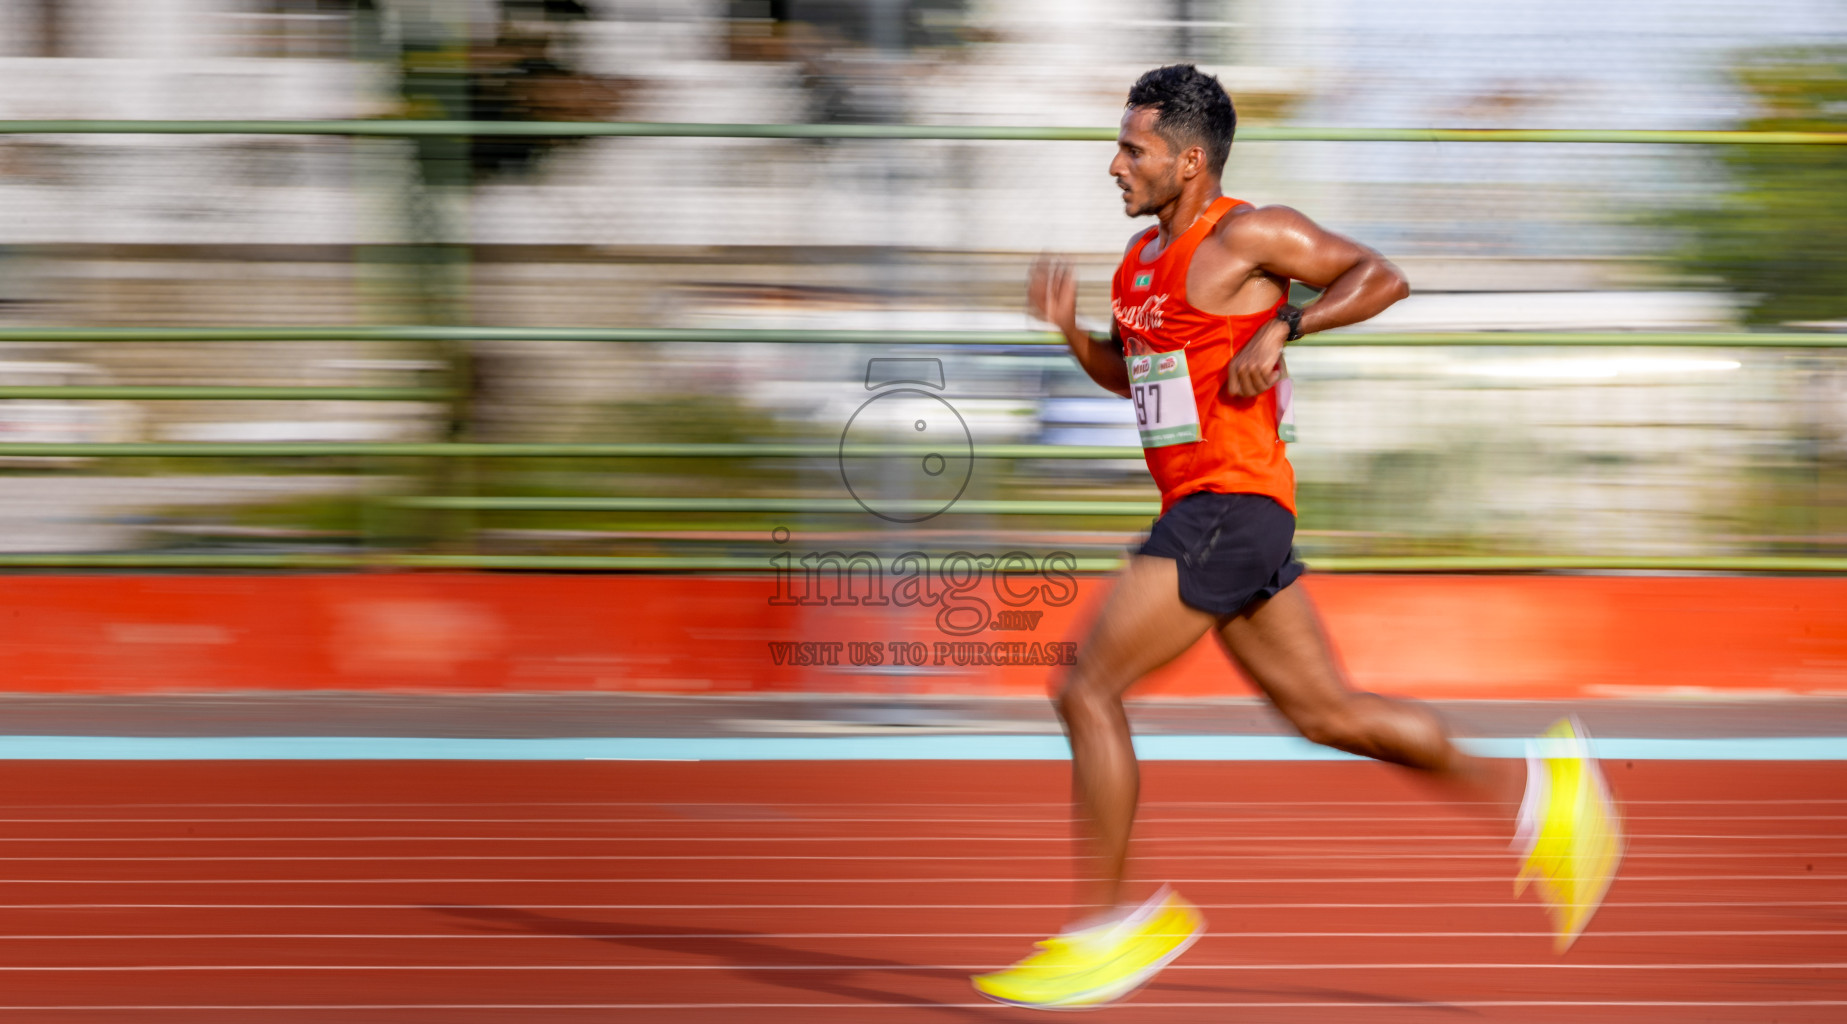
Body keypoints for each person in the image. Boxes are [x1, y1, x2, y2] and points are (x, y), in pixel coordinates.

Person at [972, 64, 1622, 1011]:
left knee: (1086, 688)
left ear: (1188, 162)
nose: (1113, 165)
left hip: (1229, 506)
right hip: (1210, 510)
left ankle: (1112, 927)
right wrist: (1074, 334)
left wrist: (1287, 323)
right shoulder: (1136, 266)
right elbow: (1137, 380)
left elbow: (1383, 275)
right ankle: (1542, 790)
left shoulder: (1249, 233)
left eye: (1132, 149)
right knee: (1326, 715)